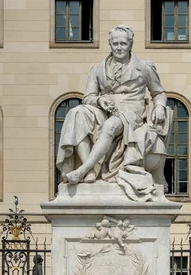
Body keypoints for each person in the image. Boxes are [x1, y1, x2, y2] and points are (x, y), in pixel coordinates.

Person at [56, 24, 171, 202]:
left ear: (130, 44)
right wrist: (100, 101)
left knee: (111, 125)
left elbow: (159, 92)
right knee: (76, 113)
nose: (119, 48)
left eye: (123, 44)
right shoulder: (97, 70)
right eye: (115, 44)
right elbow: (88, 97)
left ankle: (83, 170)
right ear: (110, 45)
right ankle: (91, 173)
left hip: (131, 111)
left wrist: (160, 107)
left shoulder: (144, 67)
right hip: (104, 108)